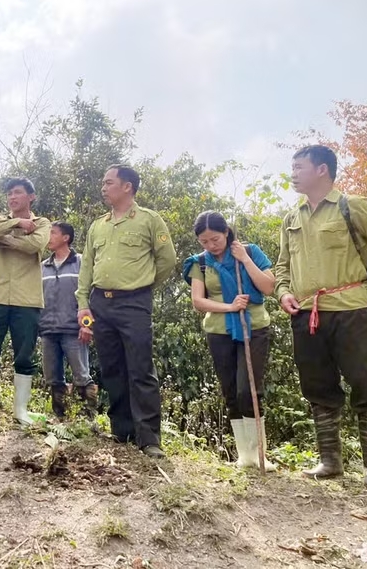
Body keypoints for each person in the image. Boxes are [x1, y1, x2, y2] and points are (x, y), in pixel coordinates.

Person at [276, 145, 367, 488]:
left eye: (299, 166)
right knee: (318, 388)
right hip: (307, 315)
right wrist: (283, 292)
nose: (293, 173)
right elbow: (283, 266)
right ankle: (330, 462)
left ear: (322, 170)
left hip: (353, 311)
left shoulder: (352, 207)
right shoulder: (291, 218)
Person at [76, 165, 176, 458]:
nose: (103, 187)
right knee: (111, 368)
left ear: (127, 186)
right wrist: (84, 304)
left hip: (135, 303)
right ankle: (122, 431)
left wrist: (141, 286)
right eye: (103, 183)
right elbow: (87, 268)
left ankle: (149, 439)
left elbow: (167, 260)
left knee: (141, 369)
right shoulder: (98, 225)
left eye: (109, 182)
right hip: (100, 304)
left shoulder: (149, 220)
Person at [183, 211, 276, 471]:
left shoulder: (250, 251)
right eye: (204, 241)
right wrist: (230, 306)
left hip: (254, 327)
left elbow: (268, 287)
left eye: (215, 239)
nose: (211, 246)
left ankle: (260, 455)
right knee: (231, 391)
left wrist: (244, 259)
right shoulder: (199, 263)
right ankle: (244, 456)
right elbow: (198, 302)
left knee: (250, 390)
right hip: (219, 330)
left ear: (226, 232)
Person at [0, 177, 51, 426]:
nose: (12, 197)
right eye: (9, 194)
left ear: (31, 196)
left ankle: (21, 411)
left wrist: (6, 240)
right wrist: (16, 224)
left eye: (17, 193)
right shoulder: (2, 221)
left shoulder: (42, 223)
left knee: (24, 354)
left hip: (27, 298)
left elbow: (36, 244)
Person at [40, 221, 98, 418]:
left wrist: (87, 326)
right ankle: (60, 420)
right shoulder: (43, 267)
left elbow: (91, 297)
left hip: (74, 330)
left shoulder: (81, 263)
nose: (49, 237)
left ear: (66, 238)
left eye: (53, 233)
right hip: (48, 331)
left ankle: (88, 420)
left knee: (82, 376)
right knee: (53, 378)